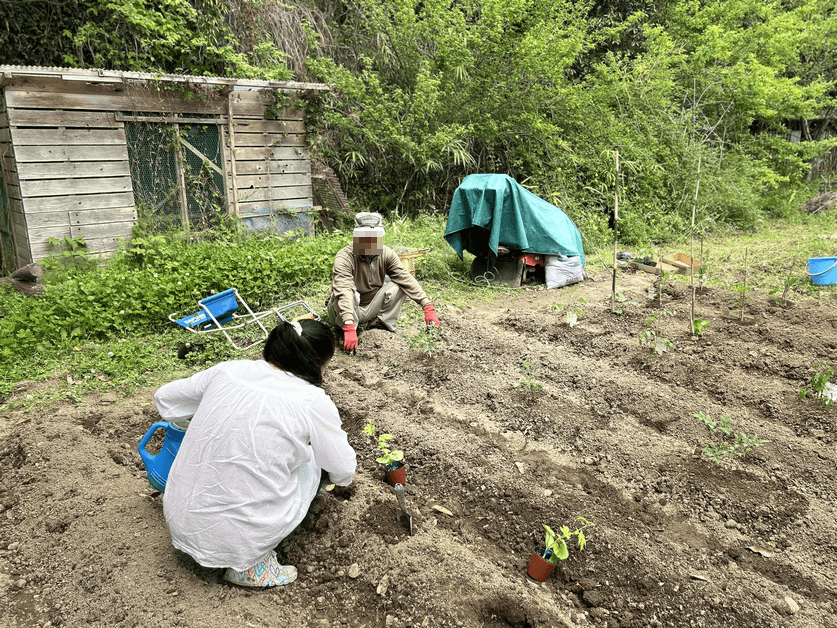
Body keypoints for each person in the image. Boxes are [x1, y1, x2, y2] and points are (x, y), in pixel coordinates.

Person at [153, 319, 356, 588]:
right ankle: (251, 564)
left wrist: (201, 426)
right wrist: (335, 479)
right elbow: (342, 468)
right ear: (317, 362)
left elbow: (165, 399)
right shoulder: (312, 400)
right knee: (311, 461)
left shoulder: (229, 371)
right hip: (239, 541)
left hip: (180, 519)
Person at [325, 212, 440, 353]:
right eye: (365, 238)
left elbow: (405, 278)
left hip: (370, 306)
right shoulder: (344, 257)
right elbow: (343, 289)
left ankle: (378, 324)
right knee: (351, 294)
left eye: (374, 238)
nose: (369, 242)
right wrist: (348, 325)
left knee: (399, 285)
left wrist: (427, 305)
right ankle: (346, 330)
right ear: (357, 237)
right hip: (344, 309)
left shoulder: (387, 254)